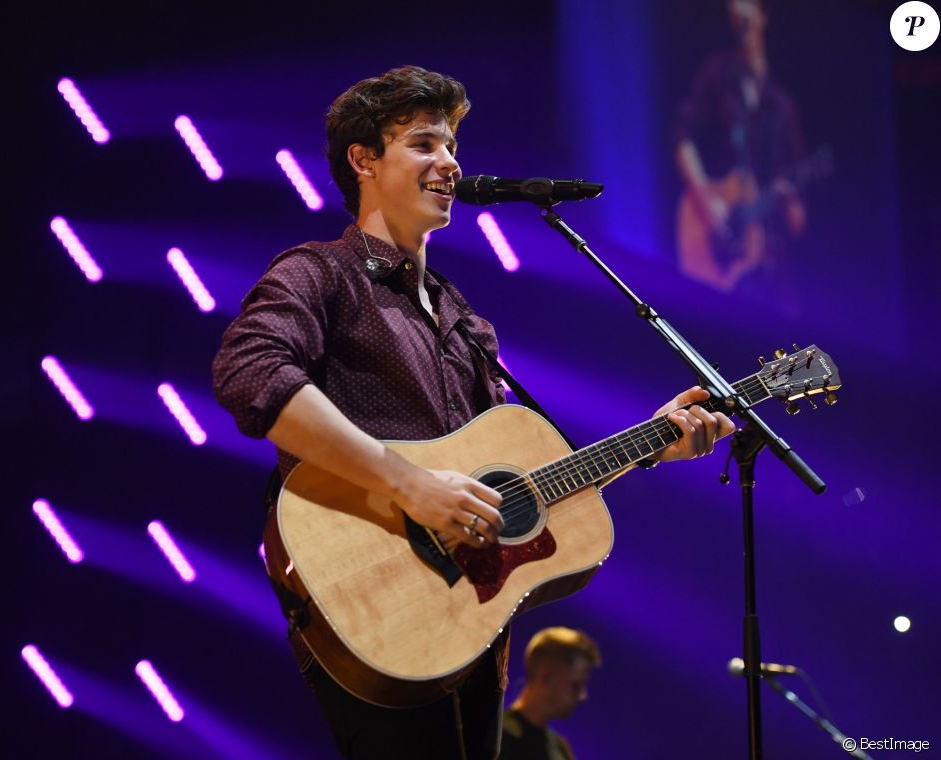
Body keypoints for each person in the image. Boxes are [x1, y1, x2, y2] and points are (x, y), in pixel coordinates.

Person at [213, 65, 734, 760]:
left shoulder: (467, 323)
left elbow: (520, 487)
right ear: (363, 160)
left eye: (453, 145)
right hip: (375, 605)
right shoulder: (319, 273)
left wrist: (652, 444)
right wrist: (408, 483)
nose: (450, 162)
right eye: (425, 143)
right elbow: (250, 373)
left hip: (470, 623)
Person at [674, 0, 807, 296]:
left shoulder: (781, 105)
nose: (741, 17)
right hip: (725, 263)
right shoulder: (718, 76)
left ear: (763, 15)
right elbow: (683, 137)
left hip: (769, 268)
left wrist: (786, 205)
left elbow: (798, 219)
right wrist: (706, 200)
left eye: (748, 9)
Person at [499, 627, 601, 760]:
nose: (583, 695)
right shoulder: (495, 736)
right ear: (545, 676)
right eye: (575, 685)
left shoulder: (560, 749)